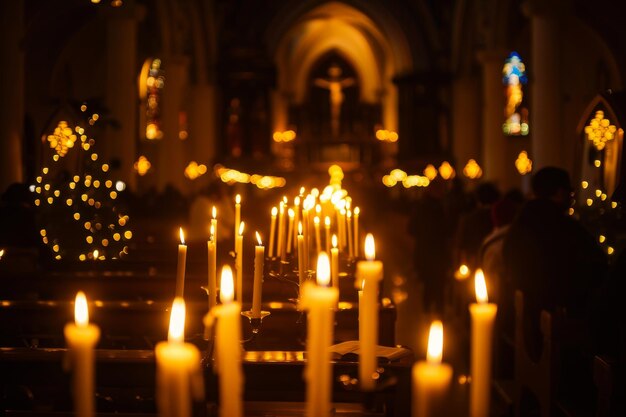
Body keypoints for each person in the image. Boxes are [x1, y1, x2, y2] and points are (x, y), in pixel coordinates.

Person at [503, 166, 607, 404]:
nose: (571, 197)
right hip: (558, 317)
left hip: (527, 312)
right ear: (559, 193)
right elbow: (595, 266)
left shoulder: (520, 222)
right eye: (569, 192)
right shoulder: (562, 226)